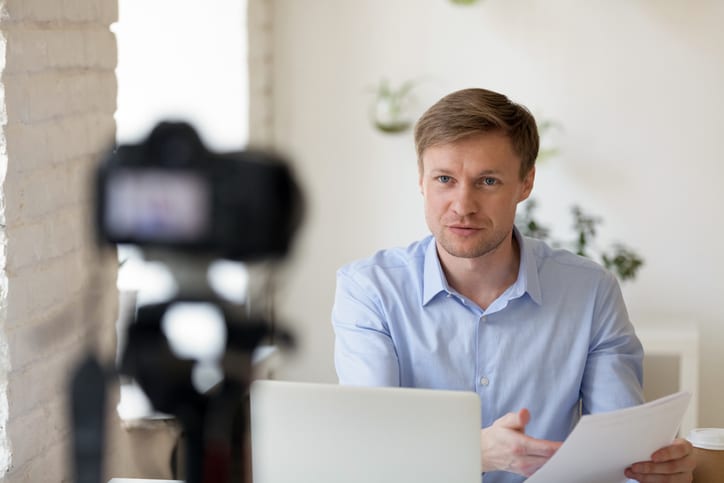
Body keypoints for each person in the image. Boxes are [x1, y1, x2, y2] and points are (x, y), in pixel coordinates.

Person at [331, 87, 695, 482]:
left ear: (526, 183)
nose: (463, 204)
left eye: (487, 181)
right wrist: (472, 452)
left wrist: (652, 470)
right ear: (421, 180)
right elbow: (368, 452)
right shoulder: (369, 291)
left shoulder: (590, 293)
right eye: (444, 179)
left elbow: (619, 455)